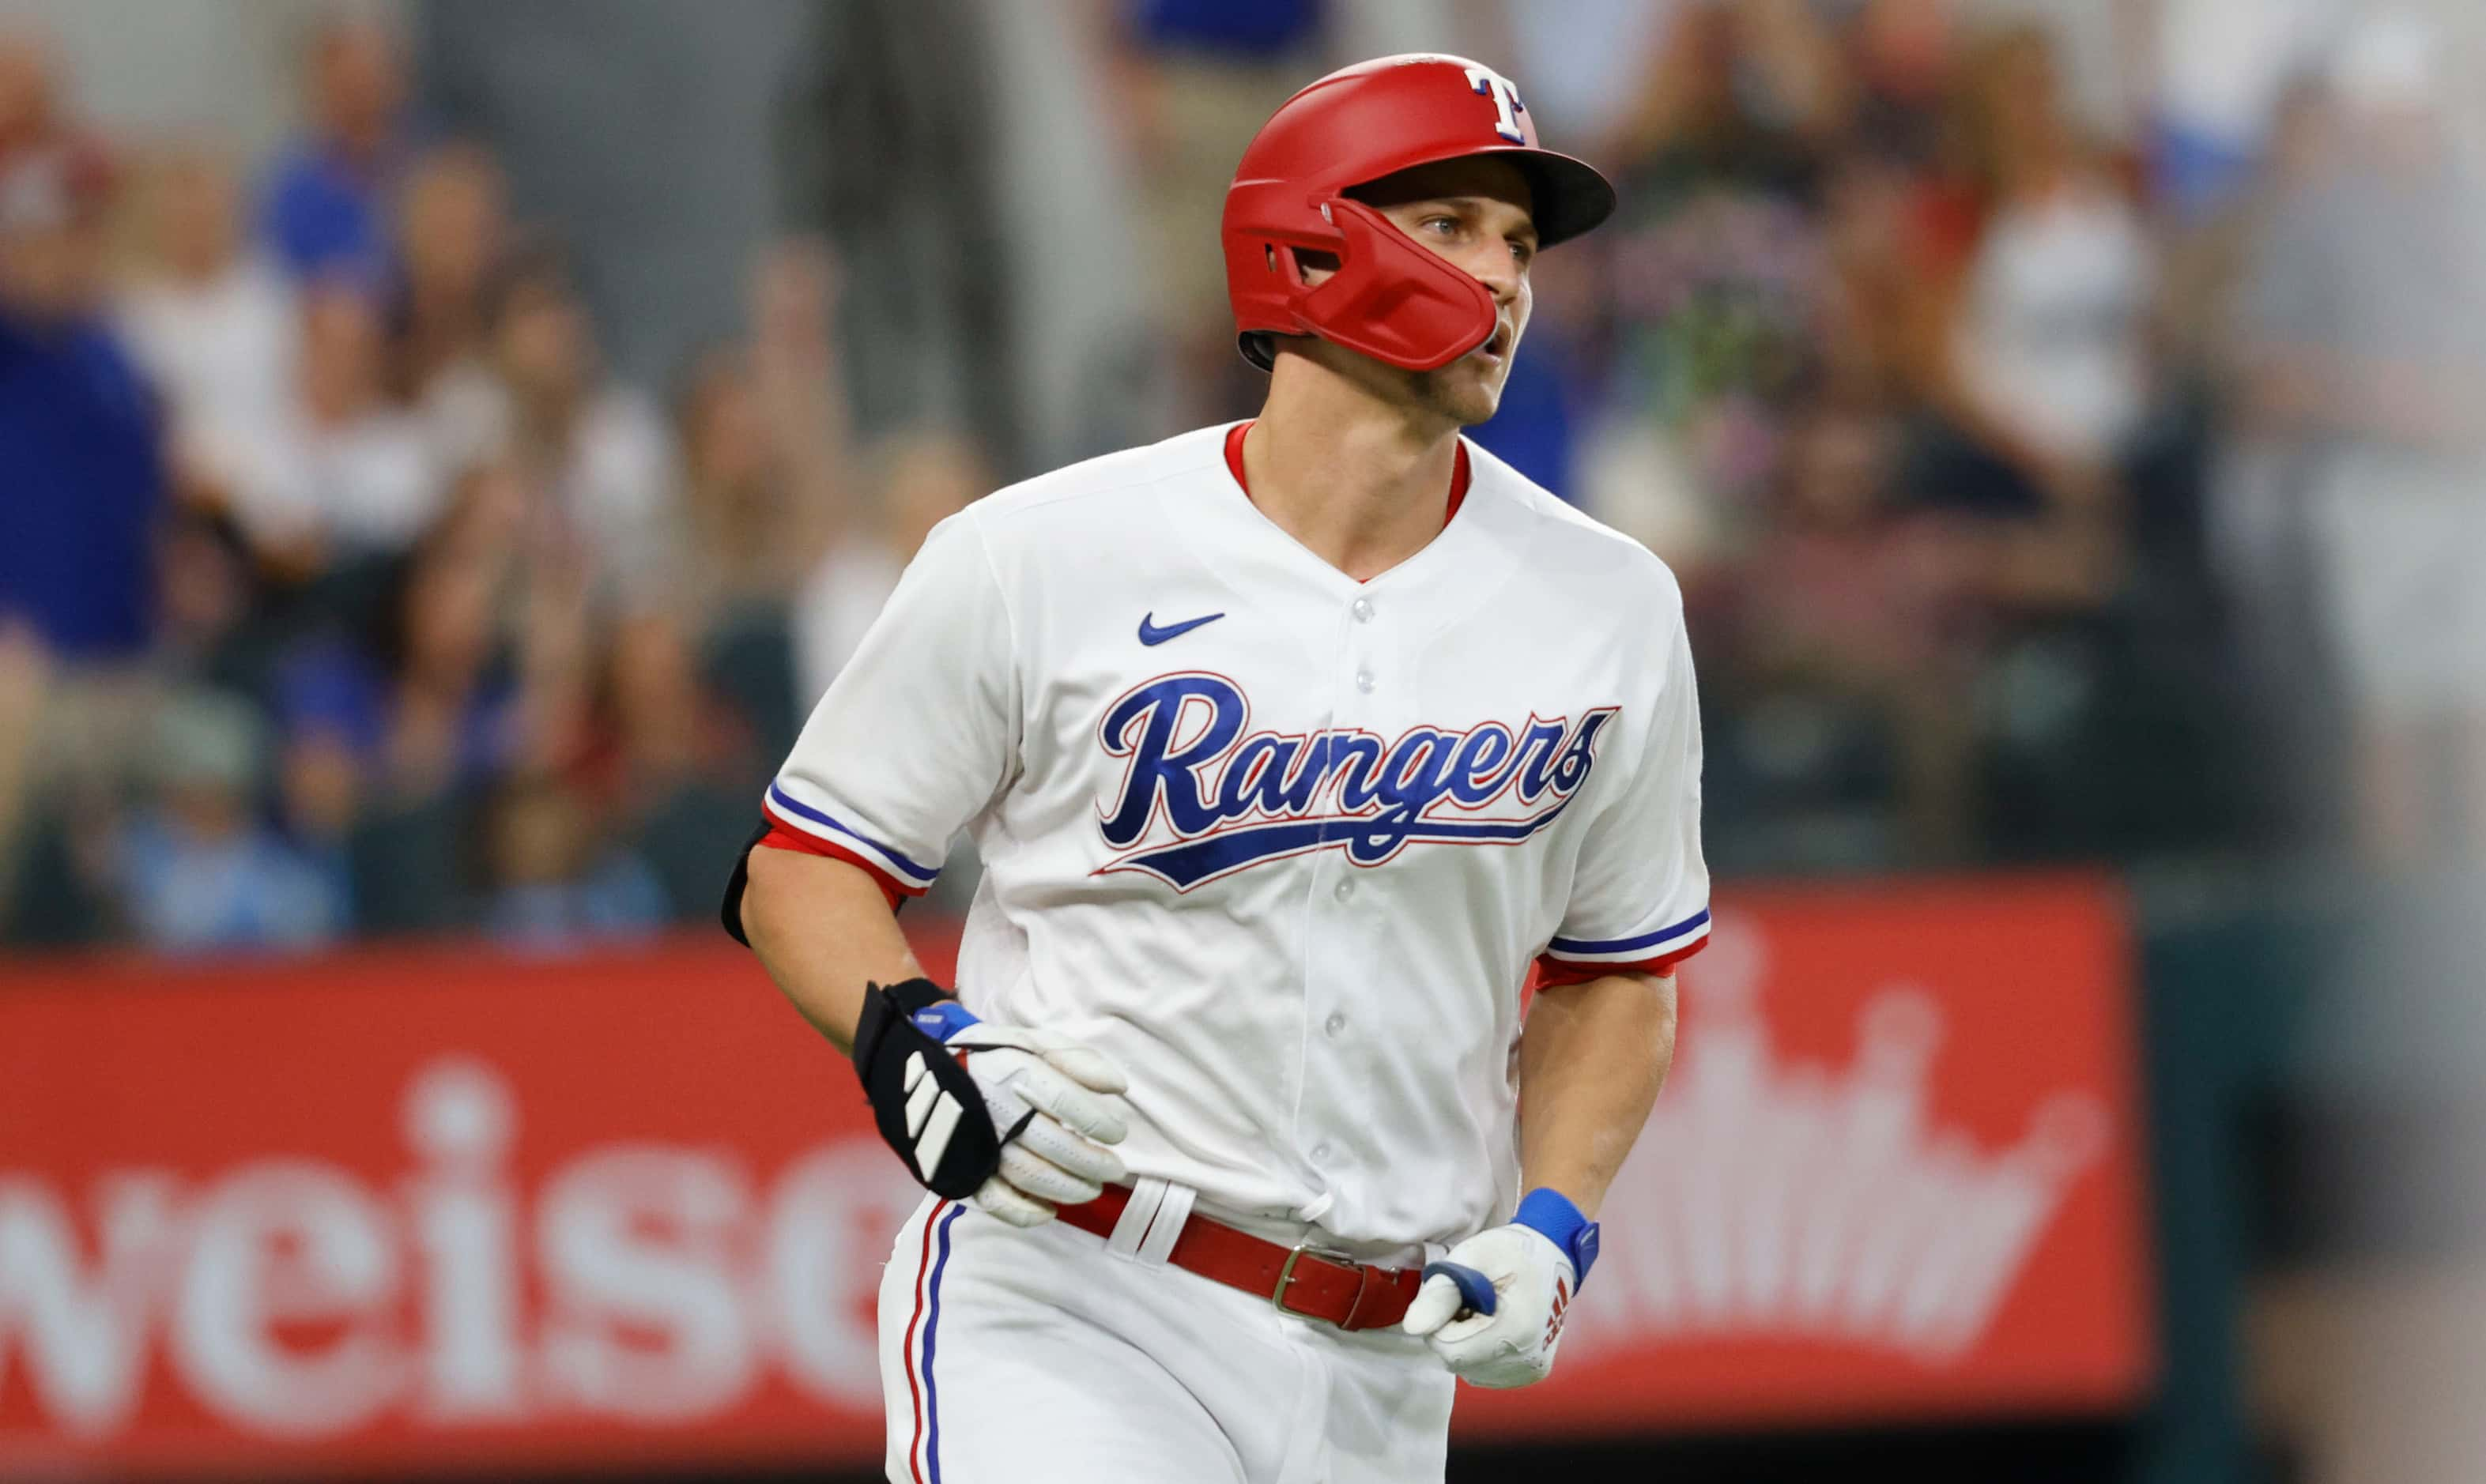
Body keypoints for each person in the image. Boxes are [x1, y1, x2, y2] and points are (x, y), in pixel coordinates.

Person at [724, 56, 1706, 1483]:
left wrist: (1552, 1214)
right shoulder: (1044, 554)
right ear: (1307, 241)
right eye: (1453, 225)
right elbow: (804, 865)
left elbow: (1616, 967)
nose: (1502, 276)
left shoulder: (1608, 602)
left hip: (1383, 1360)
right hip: (1076, 1297)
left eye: (1520, 243)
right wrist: (916, 1034)